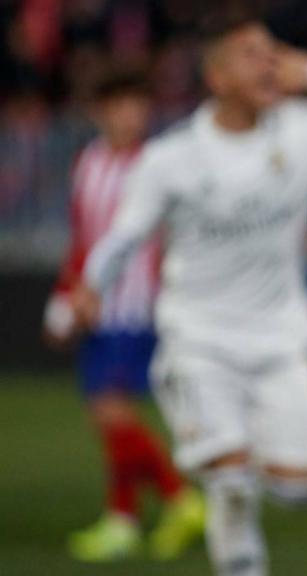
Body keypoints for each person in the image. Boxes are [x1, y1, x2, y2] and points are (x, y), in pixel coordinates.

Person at [72, 13, 307, 576]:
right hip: (199, 341)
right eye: (250, 54)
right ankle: (227, 487)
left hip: (280, 343)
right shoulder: (172, 158)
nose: (268, 63)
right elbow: (121, 237)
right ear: (216, 77)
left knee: (301, 490)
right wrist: (86, 291)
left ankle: (233, 473)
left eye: (273, 52)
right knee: (234, 479)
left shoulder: (298, 129)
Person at [43, 69, 204, 563]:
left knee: (111, 410)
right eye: (120, 105)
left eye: (138, 105)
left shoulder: (156, 166)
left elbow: (179, 238)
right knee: (109, 418)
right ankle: (123, 518)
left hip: (139, 309)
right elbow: (83, 238)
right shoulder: (87, 164)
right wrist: (68, 292)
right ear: (102, 111)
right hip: (95, 308)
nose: (130, 115)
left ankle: (180, 497)